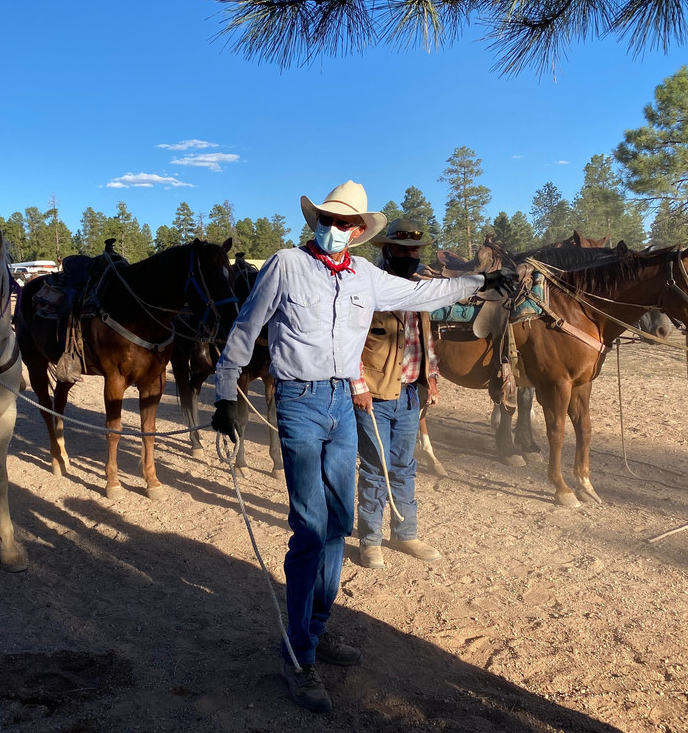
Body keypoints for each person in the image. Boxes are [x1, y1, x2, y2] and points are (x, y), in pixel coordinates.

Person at [210, 181, 513, 714]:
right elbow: (246, 325)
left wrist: (479, 280)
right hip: (300, 402)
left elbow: (424, 295)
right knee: (309, 528)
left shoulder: (366, 277)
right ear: (316, 220)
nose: (334, 227)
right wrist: (225, 395)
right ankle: (297, 655)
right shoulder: (285, 265)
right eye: (327, 218)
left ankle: (319, 630)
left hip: (342, 406)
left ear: (358, 231)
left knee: (338, 524)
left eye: (345, 222)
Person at [354, 218, 444, 570]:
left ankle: (406, 534)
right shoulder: (366, 289)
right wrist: (357, 385)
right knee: (376, 468)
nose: (411, 256)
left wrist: (431, 380)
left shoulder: (417, 289)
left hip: (408, 394)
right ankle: (370, 540)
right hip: (374, 394)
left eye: (415, 251)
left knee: (405, 466)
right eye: (404, 250)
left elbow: (425, 338)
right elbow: (350, 344)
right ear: (387, 250)